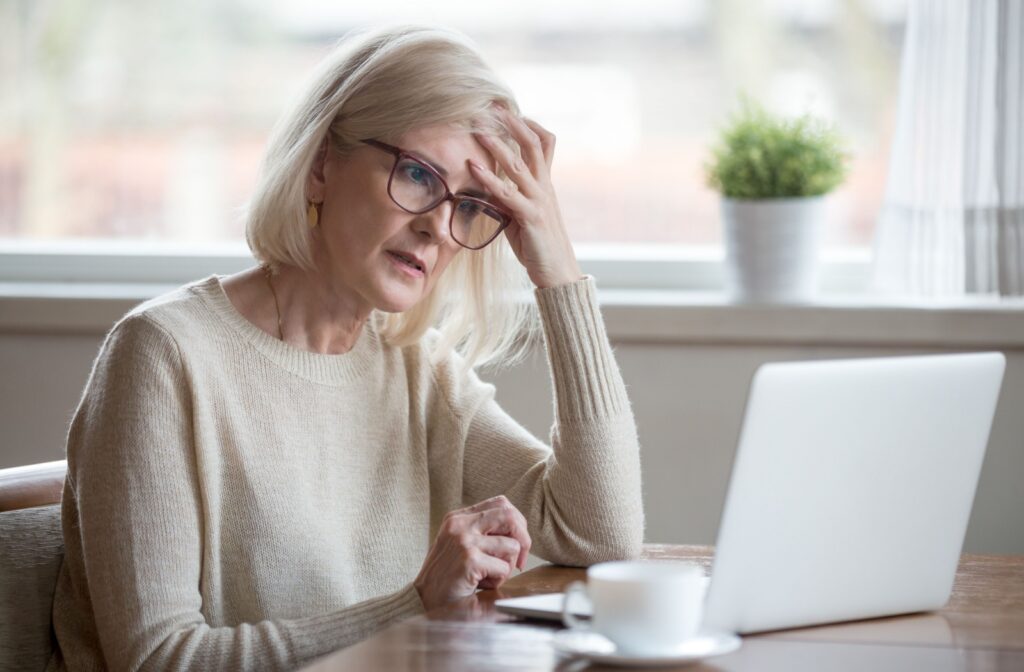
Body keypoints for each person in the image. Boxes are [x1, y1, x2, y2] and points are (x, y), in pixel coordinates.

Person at [48, 25, 644, 671]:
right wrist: (413, 605)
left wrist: (556, 267)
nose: (438, 228)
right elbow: (157, 660)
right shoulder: (163, 356)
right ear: (321, 165)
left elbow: (598, 532)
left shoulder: (420, 368)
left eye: (470, 206)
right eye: (417, 174)